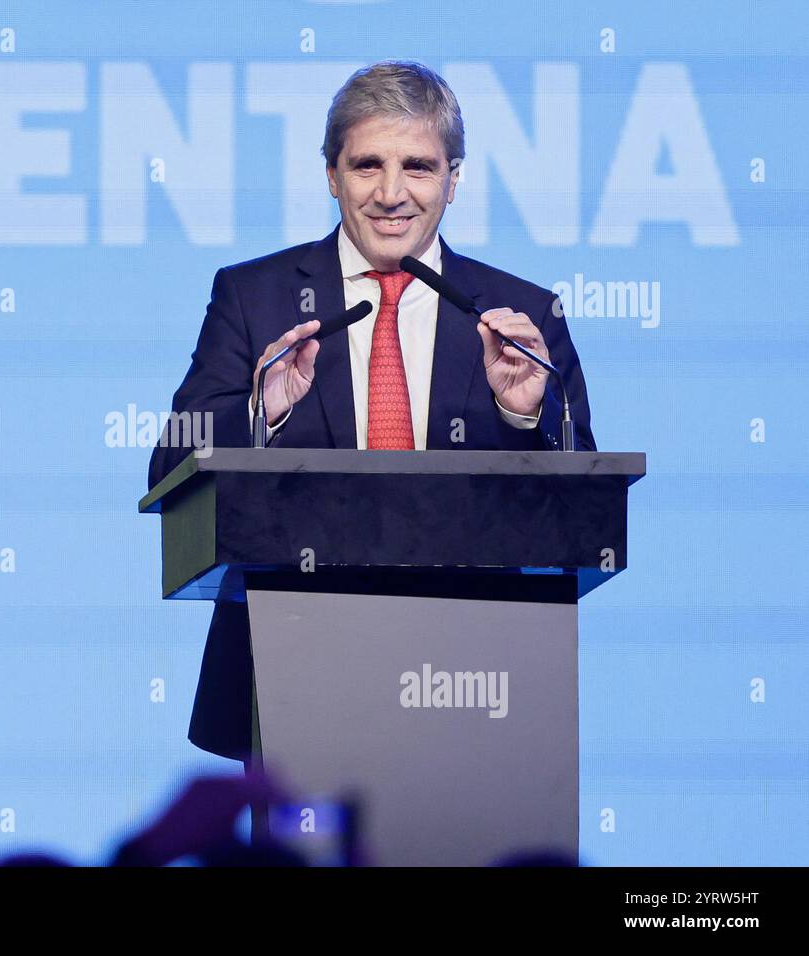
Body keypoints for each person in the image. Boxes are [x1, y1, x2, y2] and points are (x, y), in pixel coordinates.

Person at [147, 60, 596, 762]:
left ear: (454, 179)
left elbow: (581, 506)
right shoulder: (253, 295)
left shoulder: (522, 313)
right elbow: (171, 463)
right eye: (366, 166)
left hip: (481, 673)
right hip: (290, 671)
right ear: (332, 175)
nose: (391, 194)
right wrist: (259, 414)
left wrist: (520, 419)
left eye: (418, 166)